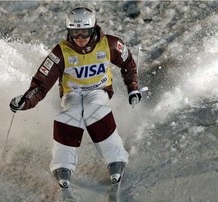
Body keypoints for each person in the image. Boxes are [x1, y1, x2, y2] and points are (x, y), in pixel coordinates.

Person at [10, 7, 142, 189]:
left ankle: (115, 159)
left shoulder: (109, 44)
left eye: (84, 32)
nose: (80, 38)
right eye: (74, 32)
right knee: (70, 115)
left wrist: (133, 88)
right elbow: (41, 83)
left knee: (94, 110)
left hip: (98, 90)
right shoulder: (60, 52)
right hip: (72, 94)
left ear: (93, 28)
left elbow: (128, 63)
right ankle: (62, 166)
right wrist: (25, 101)